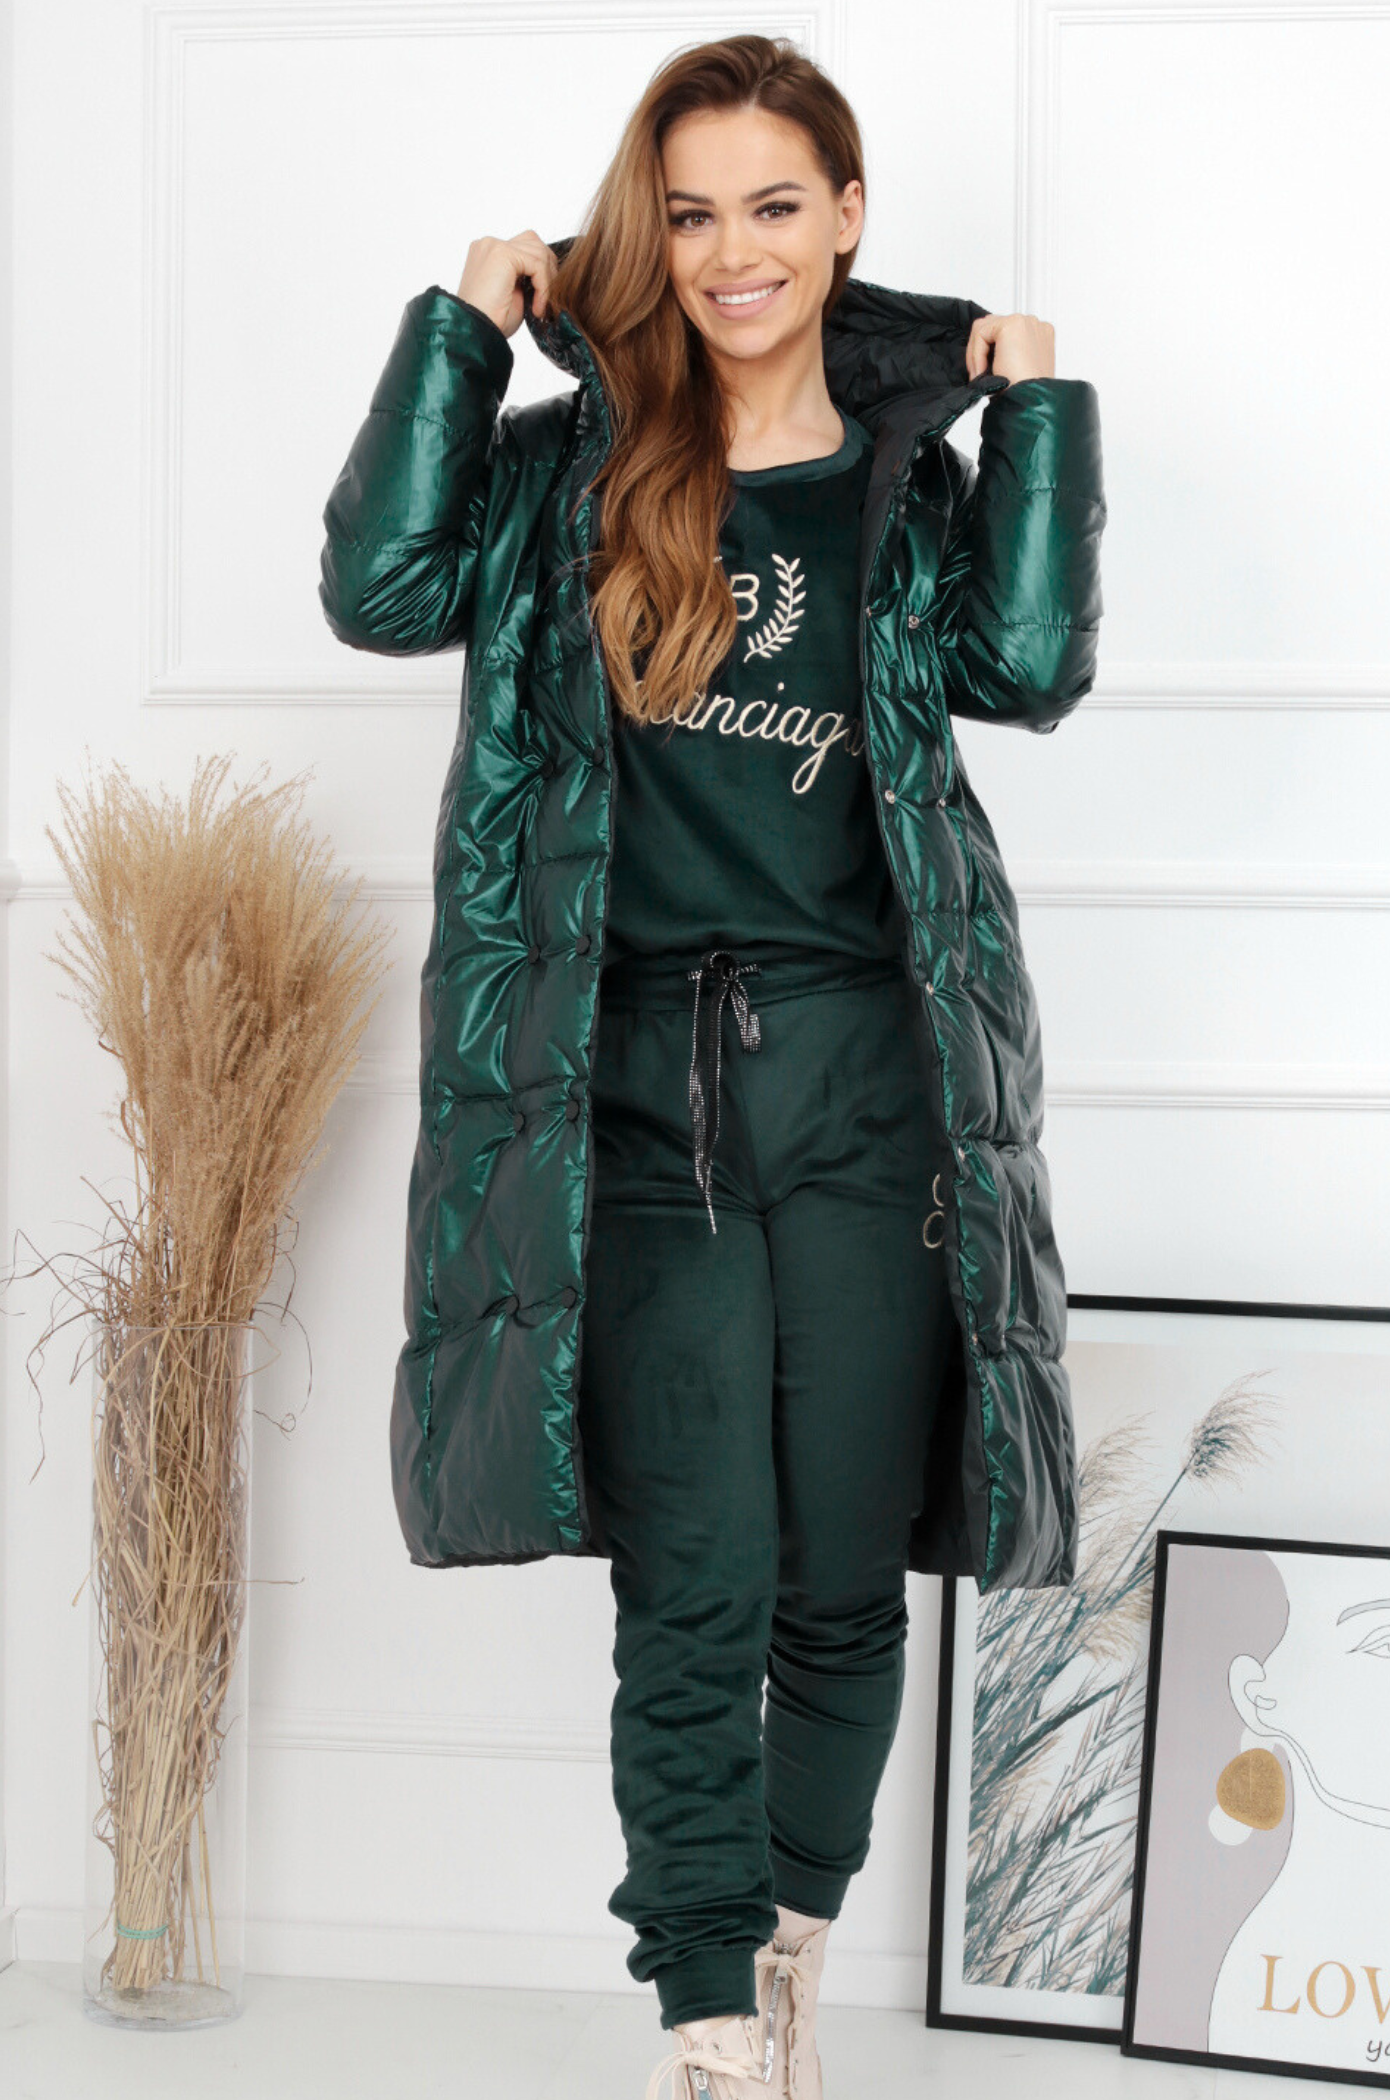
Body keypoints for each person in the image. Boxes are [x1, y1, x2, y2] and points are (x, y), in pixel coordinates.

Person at [319, 33, 1105, 2100]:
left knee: (839, 1580)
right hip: (628, 1093)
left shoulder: (912, 489)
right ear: (645, 234)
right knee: (697, 1580)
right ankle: (703, 2031)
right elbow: (379, 591)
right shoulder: (559, 474)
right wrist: (458, 330)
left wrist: (1040, 409)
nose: (732, 252)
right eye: (687, 213)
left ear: (845, 219)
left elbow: (1032, 669)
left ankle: (785, 1953)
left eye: (772, 205)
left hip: (866, 1082)